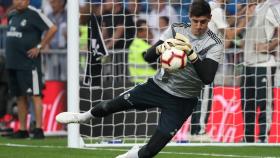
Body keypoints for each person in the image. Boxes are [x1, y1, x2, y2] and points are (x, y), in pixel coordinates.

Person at [56, 0, 223, 157]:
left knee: (151, 150)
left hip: (183, 100)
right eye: (195, 21)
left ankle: (131, 155)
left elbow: (207, 77)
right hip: (158, 86)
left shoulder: (214, 43)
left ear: (209, 18)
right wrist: (161, 48)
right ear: (189, 18)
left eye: (203, 21)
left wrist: (191, 54)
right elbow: (148, 57)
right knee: (112, 104)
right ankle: (82, 117)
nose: (199, 26)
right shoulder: (176, 29)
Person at [5, 0, 57, 139]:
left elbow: (52, 28)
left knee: (35, 95)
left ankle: (39, 129)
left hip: (29, 63)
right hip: (13, 63)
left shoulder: (35, 13)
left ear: (28, 0)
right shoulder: (12, 15)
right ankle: (23, 129)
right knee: (19, 96)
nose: (20, 2)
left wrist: (39, 47)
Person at [241, 0, 280, 143]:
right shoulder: (252, 9)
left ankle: (263, 137)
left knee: (264, 103)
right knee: (247, 103)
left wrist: (269, 46)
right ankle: (248, 137)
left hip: (264, 64)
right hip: (247, 63)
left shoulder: (271, 8)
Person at [128, 19, 155, 84]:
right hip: (147, 82)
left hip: (136, 81)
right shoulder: (144, 47)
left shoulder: (134, 44)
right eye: (146, 30)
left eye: (149, 29)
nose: (149, 32)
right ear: (138, 32)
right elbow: (155, 66)